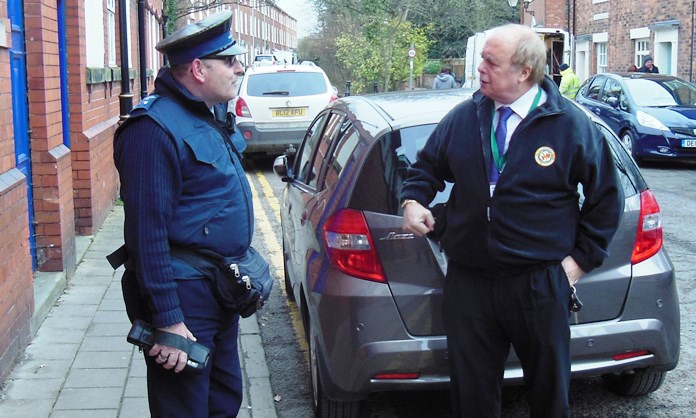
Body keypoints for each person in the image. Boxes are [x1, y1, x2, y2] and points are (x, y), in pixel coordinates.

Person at [400, 24, 622, 418]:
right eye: (482, 58)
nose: (480, 68)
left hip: (538, 283)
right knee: (472, 398)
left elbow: (606, 198)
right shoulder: (465, 117)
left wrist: (578, 263)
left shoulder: (570, 124)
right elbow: (427, 168)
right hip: (470, 281)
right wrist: (413, 200)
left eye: (491, 61)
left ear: (523, 72)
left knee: (549, 396)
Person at [112, 11, 252, 417]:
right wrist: (169, 319)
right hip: (184, 296)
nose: (239, 67)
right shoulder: (152, 129)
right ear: (198, 69)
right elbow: (146, 233)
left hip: (218, 287)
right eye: (230, 60)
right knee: (185, 407)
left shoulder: (204, 115)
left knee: (223, 399)